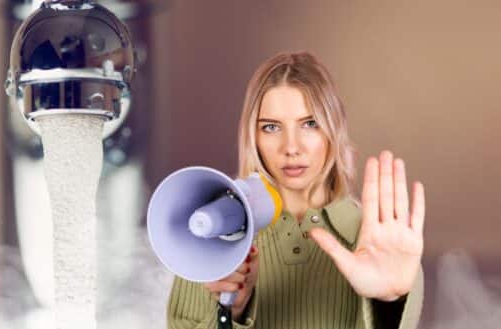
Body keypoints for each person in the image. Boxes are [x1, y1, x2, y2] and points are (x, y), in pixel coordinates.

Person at [166, 51, 424, 329]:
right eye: (271, 127)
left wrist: (388, 304)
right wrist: (232, 313)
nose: (291, 147)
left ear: (333, 129)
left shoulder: (384, 244)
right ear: (252, 137)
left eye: (310, 124)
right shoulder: (210, 237)